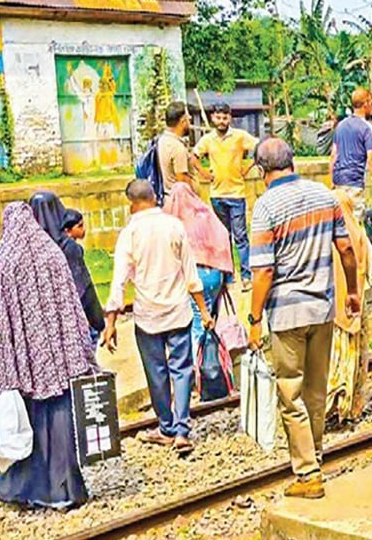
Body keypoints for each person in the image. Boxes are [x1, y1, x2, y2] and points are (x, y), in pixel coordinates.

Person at [248, 138, 359, 498]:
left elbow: (263, 272)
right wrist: (353, 291)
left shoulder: (265, 207)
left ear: (262, 170)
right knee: (315, 391)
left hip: (286, 314)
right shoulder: (324, 196)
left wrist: (254, 319)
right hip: (322, 308)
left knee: (290, 393)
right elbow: (346, 248)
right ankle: (316, 456)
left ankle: (308, 473)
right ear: (292, 161)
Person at [0, 202, 99, 509]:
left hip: (25, 361)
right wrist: (83, 353)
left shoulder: (6, 258)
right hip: (59, 360)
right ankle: (64, 489)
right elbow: (73, 309)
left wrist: (3, 363)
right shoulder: (52, 254)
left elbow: (1, 317)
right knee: (59, 419)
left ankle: (22, 487)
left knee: (26, 421)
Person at [103, 179, 213, 455]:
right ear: (154, 197)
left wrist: (111, 322)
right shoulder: (174, 226)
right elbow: (191, 274)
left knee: (156, 373)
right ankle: (182, 430)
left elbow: (119, 282)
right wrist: (204, 311)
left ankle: (166, 427)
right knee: (182, 369)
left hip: (148, 317)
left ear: (131, 204)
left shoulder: (129, 234)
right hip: (178, 312)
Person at [162, 182, 234, 395]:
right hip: (216, 273)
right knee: (210, 318)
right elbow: (223, 235)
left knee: (197, 325)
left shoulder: (173, 221)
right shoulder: (205, 213)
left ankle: (201, 374)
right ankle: (217, 365)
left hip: (195, 276)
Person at [192, 102, 258, 288]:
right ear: (212, 118)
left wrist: (248, 167)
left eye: (225, 117)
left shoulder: (239, 136)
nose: (221, 121)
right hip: (217, 195)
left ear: (230, 118)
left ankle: (246, 276)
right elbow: (194, 157)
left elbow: (260, 147)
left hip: (236, 194)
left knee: (240, 237)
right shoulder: (207, 139)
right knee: (223, 236)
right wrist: (204, 174)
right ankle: (229, 276)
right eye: (218, 117)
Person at [29, 191, 105, 342]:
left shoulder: (26, 249)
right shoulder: (68, 248)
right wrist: (98, 321)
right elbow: (83, 286)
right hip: (73, 321)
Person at [327, 187, 371, 423]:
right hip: (355, 303)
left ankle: (329, 405)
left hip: (332, 308)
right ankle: (349, 407)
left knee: (333, 358)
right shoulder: (358, 232)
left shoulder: (327, 236)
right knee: (353, 357)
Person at [329, 88, 372, 223]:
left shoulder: (340, 126)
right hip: (354, 183)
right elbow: (371, 160)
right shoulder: (366, 128)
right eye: (371, 103)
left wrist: (331, 181)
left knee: (340, 223)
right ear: (366, 104)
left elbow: (333, 156)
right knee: (355, 223)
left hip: (339, 182)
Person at [158, 102, 198, 198]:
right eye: (188, 117)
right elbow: (182, 181)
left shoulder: (162, 141)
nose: (190, 119)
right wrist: (195, 200)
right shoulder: (177, 147)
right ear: (182, 121)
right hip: (180, 201)